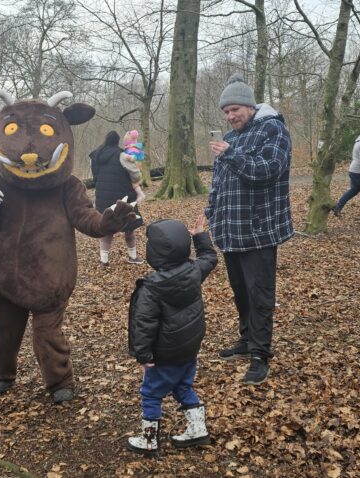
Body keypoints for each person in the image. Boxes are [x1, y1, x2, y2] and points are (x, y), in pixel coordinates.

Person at [205, 74, 293, 385]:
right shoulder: (234, 137)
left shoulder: (273, 130)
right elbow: (220, 182)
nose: (231, 116)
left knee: (259, 294)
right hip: (230, 231)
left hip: (258, 230)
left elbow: (267, 171)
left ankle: (260, 354)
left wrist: (230, 153)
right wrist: (210, 214)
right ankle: (246, 340)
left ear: (249, 106)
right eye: (226, 112)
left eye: (235, 110)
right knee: (240, 292)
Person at [125, 217, 217, 455]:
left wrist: (143, 354)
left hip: (164, 355)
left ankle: (149, 441)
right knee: (183, 386)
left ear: (154, 254)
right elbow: (209, 258)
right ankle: (198, 430)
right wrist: (200, 235)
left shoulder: (151, 288)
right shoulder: (193, 271)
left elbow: (144, 323)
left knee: (151, 394)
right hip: (188, 348)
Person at [90, 131, 144, 266]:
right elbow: (135, 173)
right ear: (117, 141)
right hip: (123, 197)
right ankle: (132, 257)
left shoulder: (96, 155)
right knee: (129, 227)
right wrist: (137, 183)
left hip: (102, 196)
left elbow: (94, 175)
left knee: (106, 227)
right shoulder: (121, 155)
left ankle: (104, 260)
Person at [120, 130, 148, 204]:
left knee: (134, 183)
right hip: (137, 166)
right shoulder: (136, 147)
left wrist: (130, 158)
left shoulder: (131, 149)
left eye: (125, 140)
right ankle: (139, 194)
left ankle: (140, 194)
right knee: (135, 182)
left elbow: (133, 157)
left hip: (134, 167)